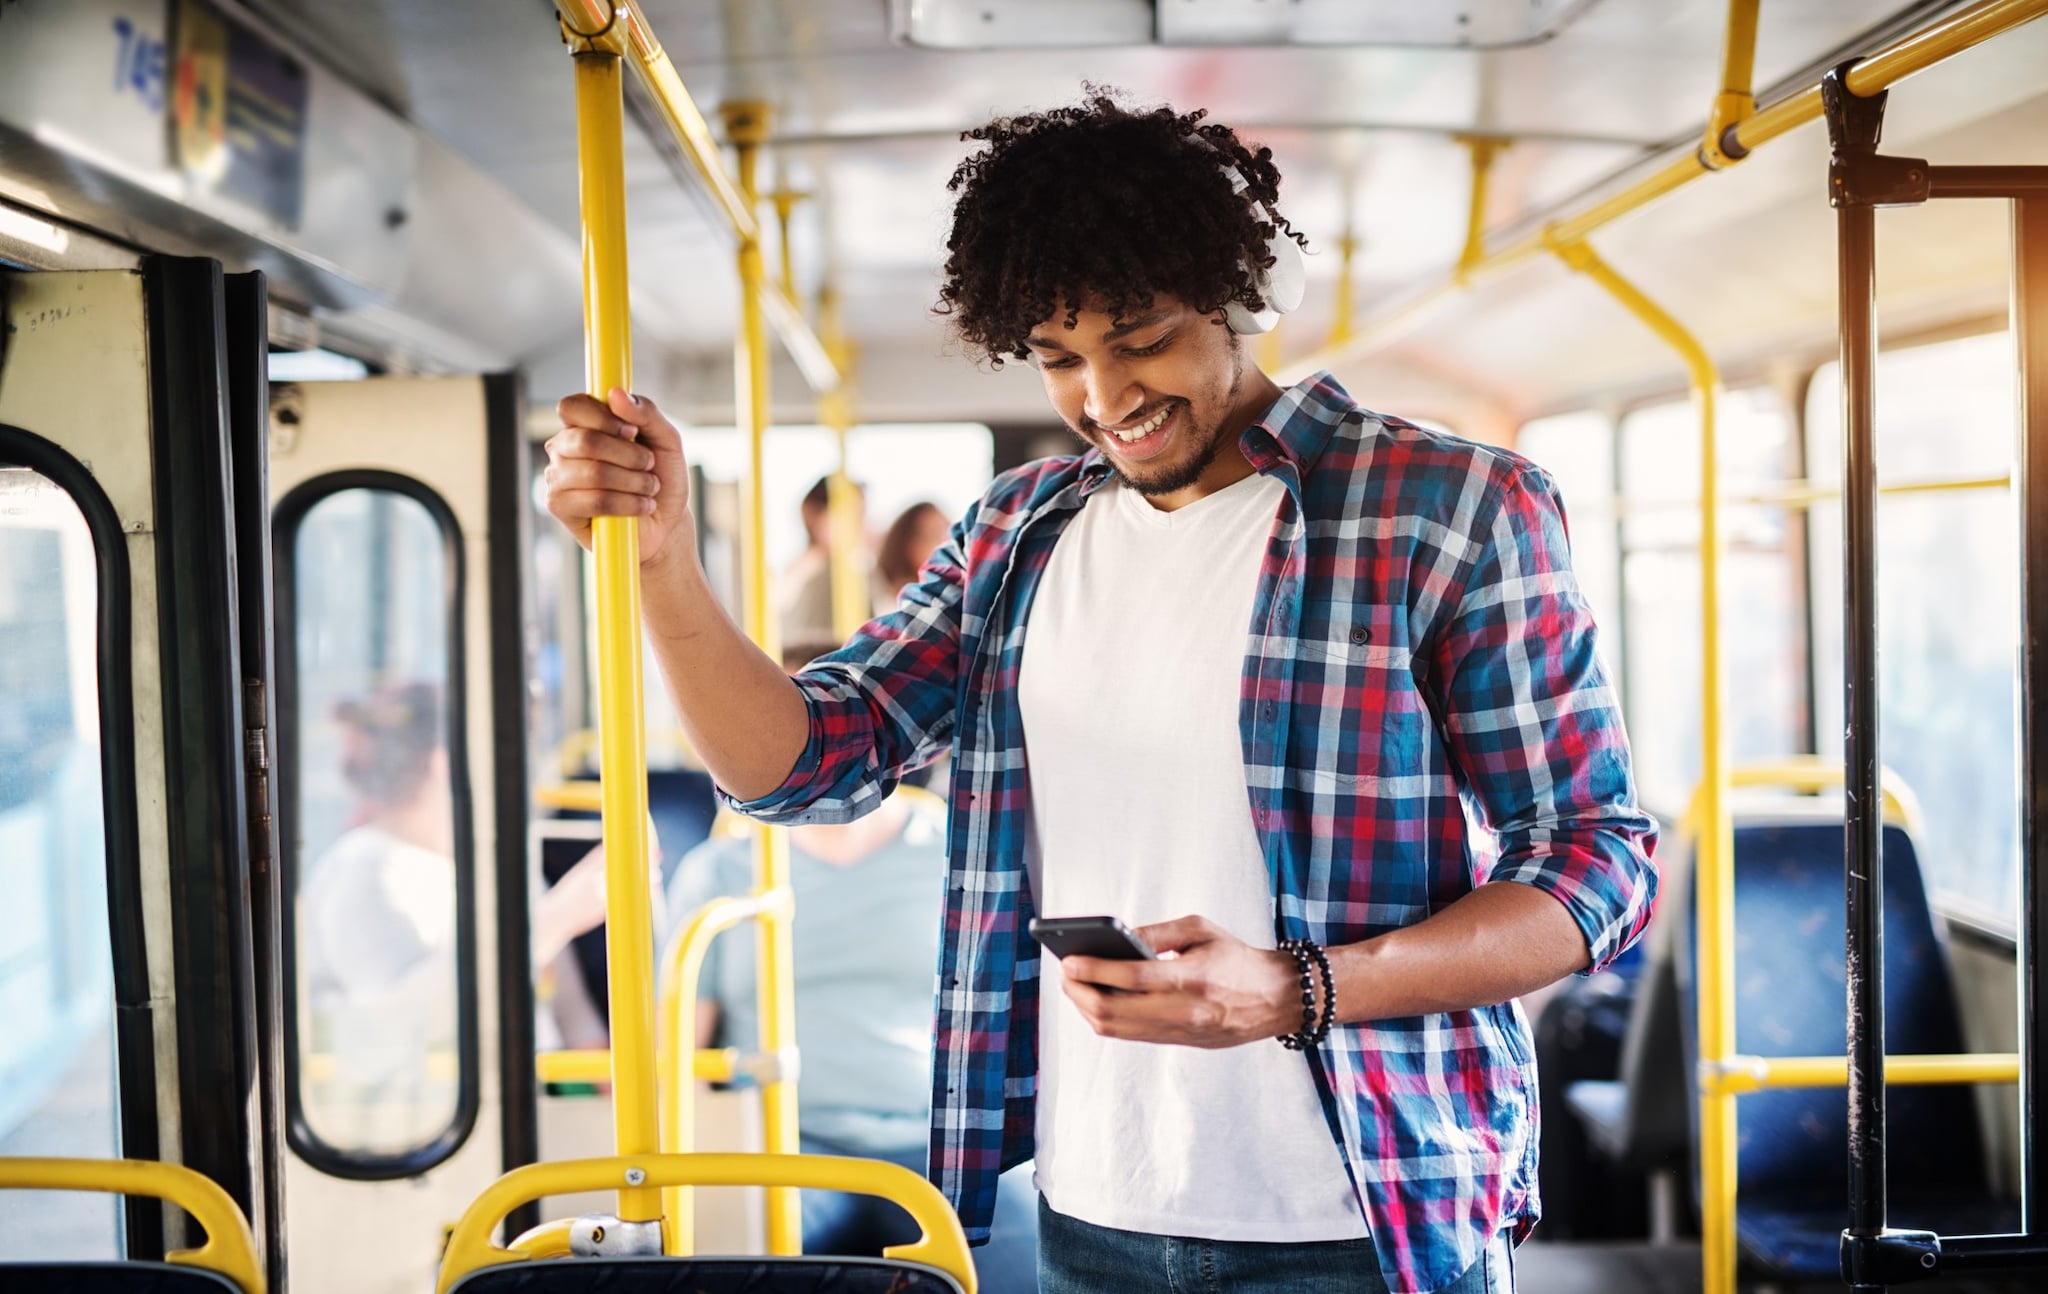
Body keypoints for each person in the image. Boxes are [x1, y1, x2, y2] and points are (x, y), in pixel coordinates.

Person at [544, 92, 1656, 1294]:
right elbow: (806, 765)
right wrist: (660, 561)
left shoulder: (1448, 506)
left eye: (1140, 338)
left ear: (1240, 298)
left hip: (1366, 1217)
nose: (1102, 396)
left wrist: (1296, 989)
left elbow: (1597, 865)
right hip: (1089, 1210)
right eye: (1059, 358)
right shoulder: (1015, 535)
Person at [663, 644, 1038, 1289]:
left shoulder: (954, 850)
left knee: (1022, 1264)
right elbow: (676, 1054)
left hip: (936, 1140)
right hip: (785, 1146)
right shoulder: (722, 872)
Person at [778, 474, 866, 648]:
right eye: (849, 515)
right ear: (813, 514)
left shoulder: (856, 573)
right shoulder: (804, 569)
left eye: (860, 517)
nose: (857, 527)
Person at [874, 500, 951, 609]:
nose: (945, 544)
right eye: (935, 535)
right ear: (909, 545)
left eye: (948, 535)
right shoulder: (887, 602)